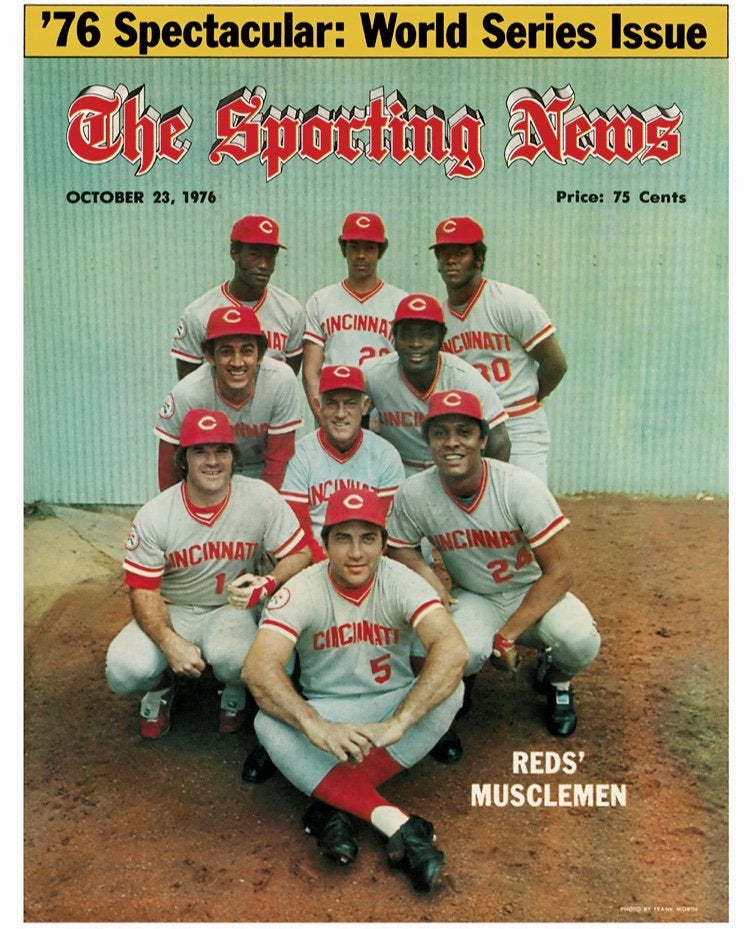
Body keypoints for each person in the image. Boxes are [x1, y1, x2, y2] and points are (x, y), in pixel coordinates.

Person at [242, 488, 467, 893]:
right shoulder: (302, 588)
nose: (356, 552)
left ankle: (336, 805)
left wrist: (400, 722)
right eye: (343, 538)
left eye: (368, 538)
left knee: (451, 690)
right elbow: (258, 669)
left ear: (383, 542)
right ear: (325, 543)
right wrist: (317, 727)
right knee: (267, 723)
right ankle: (395, 822)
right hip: (329, 715)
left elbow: (451, 649)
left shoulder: (404, 581)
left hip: (389, 707)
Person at [387, 389, 600, 762]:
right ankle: (455, 692)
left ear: (483, 440)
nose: (452, 443)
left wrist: (507, 636)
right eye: (440, 433)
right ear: (429, 442)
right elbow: (399, 545)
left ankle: (557, 682)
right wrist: (427, 574)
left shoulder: (519, 487)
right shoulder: (416, 492)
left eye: (464, 432)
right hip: (476, 596)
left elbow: (560, 573)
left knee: (578, 640)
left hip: (532, 593)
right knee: (445, 651)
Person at [105, 409, 311, 739]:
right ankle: (161, 687)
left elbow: (300, 554)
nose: (212, 460)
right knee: (125, 669)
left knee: (238, 660)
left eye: (222, 450)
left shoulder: (259, 497)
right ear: (183, 459)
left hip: (230, 610)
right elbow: (143, 591)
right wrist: (168, 641)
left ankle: (233, 688)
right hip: (174, 610)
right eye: (200, 450)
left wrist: (268, 582)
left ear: (234, 456)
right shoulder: (157, 514)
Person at [431, 216, 568, 484]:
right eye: (444, 253)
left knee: (525, 503)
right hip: (470, 429)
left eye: (461, 252)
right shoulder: (438, 321)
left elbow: (555, 364)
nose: (451, 260)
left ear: (479, 259)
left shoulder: (512, 302)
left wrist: (528, 398)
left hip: (519, 423)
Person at [361, 293, 511, 476]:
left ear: (441, 338)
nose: (416, 343)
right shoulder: (374, 373)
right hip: (397, 468)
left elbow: (499, 440)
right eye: (407, 335)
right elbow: (351, 417)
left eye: (426, 335)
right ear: (394, 337)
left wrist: (482, 486)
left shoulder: (463, 378)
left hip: (447, 471)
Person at [156, 305, 302, 491]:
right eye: (226, 351)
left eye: (247, 350)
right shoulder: (188, 393)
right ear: (210, 356)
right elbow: (169, 469)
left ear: (260, 355)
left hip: (263, 470)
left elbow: (278, 460)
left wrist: (263, 509)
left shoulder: (280, 380)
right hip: (211, 476)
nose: (237, 362)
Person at [280, 364, 405, 562]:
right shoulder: (300, 454)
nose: (340, 413)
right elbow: (298, 530)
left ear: (365, 406)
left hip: (368, 563)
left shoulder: (385, 454)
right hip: (313, 562)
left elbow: (386, 531)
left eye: (350, 403)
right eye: (331, 403)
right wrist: (327, 571)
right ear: (317, 405)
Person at [171, 215, 305, 379]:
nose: (264, 265)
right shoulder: (198, 313)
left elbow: (288, 379)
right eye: (255, 255)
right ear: (234, 252)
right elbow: (188, 385)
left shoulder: (291, 310)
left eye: (270, 256)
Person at [302, 212, 408, 414]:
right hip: (336, 409)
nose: (361, 255)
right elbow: (311, 372)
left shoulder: (401, 302)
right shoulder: (320, 300)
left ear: (380, 251)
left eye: (369, 248)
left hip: (383, 410)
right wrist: (322, 415)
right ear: (344, 249)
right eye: (354, 247)